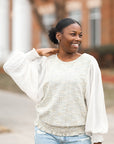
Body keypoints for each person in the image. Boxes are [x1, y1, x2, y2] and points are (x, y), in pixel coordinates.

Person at [3, 18, 108, 144]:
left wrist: (97, 137)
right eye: (73, 34)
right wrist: (36, 53)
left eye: (80, 35)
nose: (78, 39)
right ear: (59, 36)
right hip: (46, 134)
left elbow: (96, 100)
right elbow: (10, 66)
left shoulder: (88, 62)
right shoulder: (46, 61)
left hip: (79, 136)